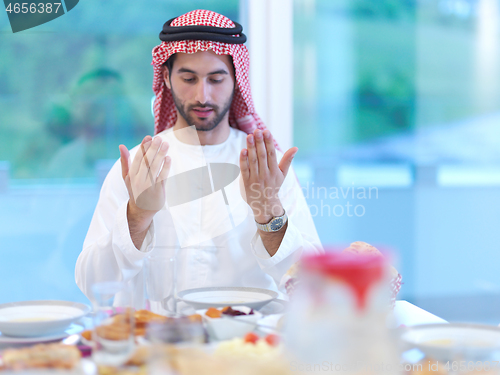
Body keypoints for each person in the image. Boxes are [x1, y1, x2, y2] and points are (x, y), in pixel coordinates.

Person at [75, 9, 322, 311]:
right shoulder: (140, 166)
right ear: (166, 77)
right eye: (188, 78)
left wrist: (268, 212)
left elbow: (313, 288)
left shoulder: (265, 168)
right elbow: (92, 285)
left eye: (216, 79)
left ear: (236, 80)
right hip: (155, 348)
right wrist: (137, 216)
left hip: (250, 348)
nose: (202, 95)